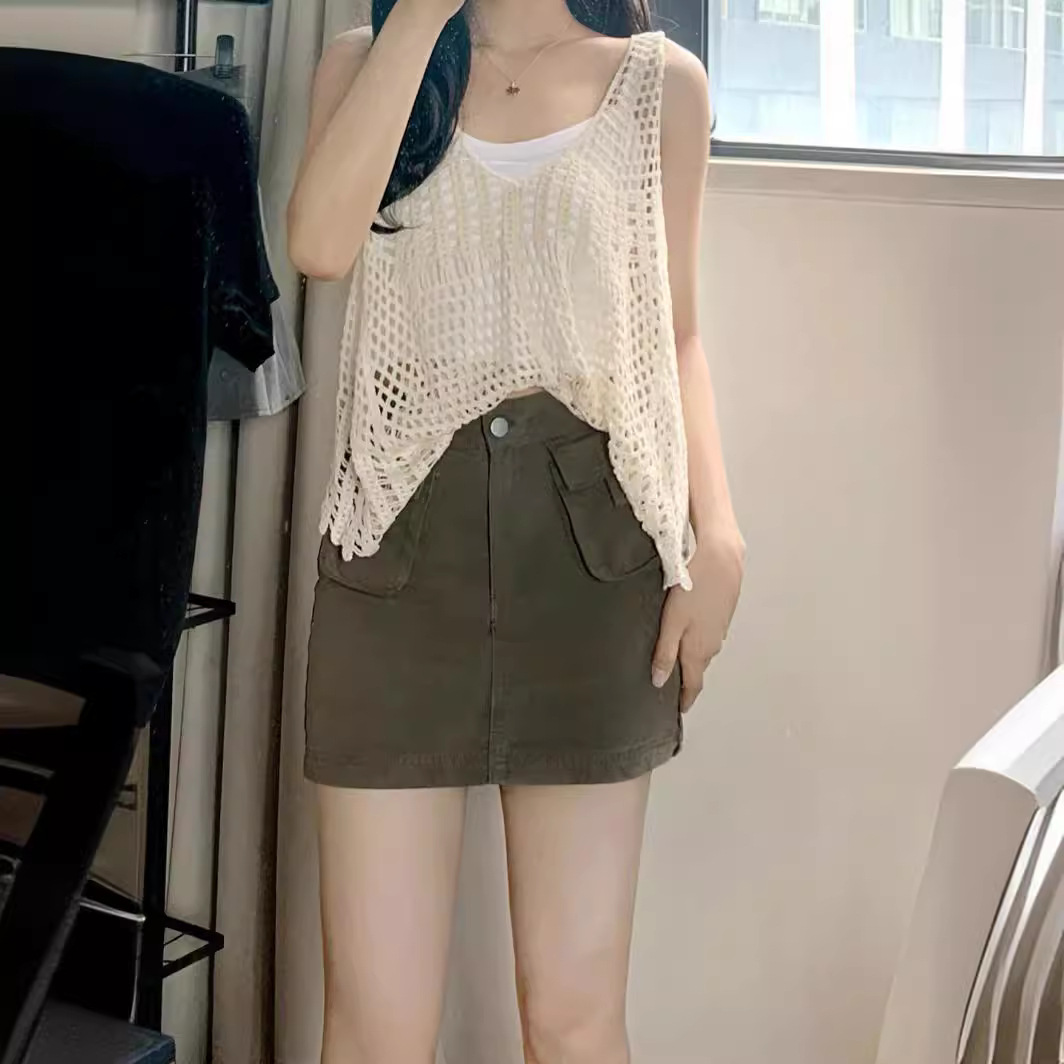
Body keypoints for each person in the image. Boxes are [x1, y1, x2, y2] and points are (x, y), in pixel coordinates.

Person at [287, 1, 745, 1061]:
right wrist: (416, 23)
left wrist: (717, 534)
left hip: (593, 554)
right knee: (375, 1028)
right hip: (395, 546)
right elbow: (317, 245)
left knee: (573, 1020)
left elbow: (674, 330)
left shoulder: (658, 83)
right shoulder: (364, 65)